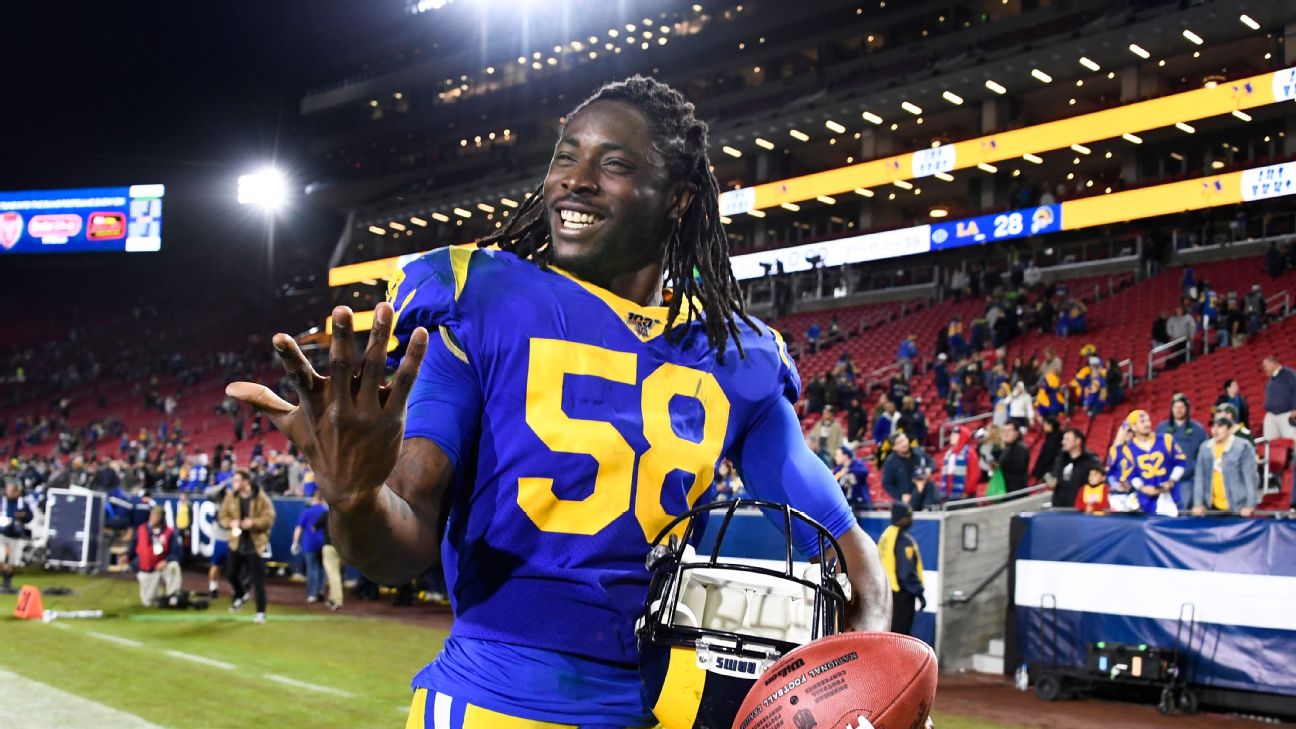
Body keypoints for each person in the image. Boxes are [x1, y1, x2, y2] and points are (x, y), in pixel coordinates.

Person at [228, 76, 888, 726]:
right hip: (494, 704)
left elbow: (851, 555)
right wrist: (354, 499)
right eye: (566, 157)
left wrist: (865, 683)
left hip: (653, 708)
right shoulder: (484, 301)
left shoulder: (732, 352)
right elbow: (399, 545)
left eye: (614, 164)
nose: (576, 179)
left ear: (678, 198)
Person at [218, 469, 275, 624]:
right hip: (236, 542)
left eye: (237, 480)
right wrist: (231, 523)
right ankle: (242, 594)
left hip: (255, 543)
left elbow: (269, 518)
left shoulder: (261, 497)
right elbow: (222, 517)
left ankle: (261, 612)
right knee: (231, 573)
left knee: (258, 580)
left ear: (246, 481)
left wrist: (253, 523)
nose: (234, 483)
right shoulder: (230, 496)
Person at [1111, 410, 1187, 515]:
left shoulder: (1166, 439)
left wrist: (1172, 481)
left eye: (1148, 420)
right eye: (1142, 421)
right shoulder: (1128, 449)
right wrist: (1142, 488)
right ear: (1133, 427)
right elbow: (1131, 474)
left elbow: (1180, 462)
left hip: (1169, 495)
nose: (1147, 424)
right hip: (1145, 500)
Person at [1191, 412, 1258, 516]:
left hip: (1238, 507)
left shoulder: (1243, 447)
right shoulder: (1205, 448)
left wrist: (1250, 505)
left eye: (1220, 426)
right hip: (1212, 507)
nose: (1215, 430)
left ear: (1230, 429)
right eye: (1213, 426)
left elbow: (1250, 477)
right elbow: (1200, 477)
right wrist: (1198, 503)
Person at [878, 502, 925, 637]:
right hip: (902, 594)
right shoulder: (904, 540)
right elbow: (906, 572)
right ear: (901, 518)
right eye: (908, 516)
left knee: (890, 633)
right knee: (901, 636)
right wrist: (919, 592)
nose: (911, 519)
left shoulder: (886, 536)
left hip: (888, 591)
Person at [129, 506, 183, 606]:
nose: (154, 518)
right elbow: (133, 546)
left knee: (173, 566)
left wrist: (166, 561)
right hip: (146, 568)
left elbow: (176, 552)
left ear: (162, 518)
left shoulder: (169, 532)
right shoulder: (141, 529)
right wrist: (127, 557)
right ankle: (160, 599)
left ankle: (173, 596)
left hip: (162, 566)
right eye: (152, 515)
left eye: (157, 516)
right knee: (148, 602)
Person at [1155, 394, 1207, 498]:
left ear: (1187, 408)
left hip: (1187, 480)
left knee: (1183, 505)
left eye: (1181, 407)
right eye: (1175, 407)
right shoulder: (1162, 428)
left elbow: (1204, 454)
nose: (1178, 410)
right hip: (1164, 479)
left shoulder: (1198, 429)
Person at [1045, 428, 1101, 509]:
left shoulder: (1090, 460)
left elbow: (1098, 483)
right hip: (1059, 507)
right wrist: (1051, 481)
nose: (1063, 442)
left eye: (1067, 439)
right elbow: (1054, 477)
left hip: (1080, 508)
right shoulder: (1060, 457)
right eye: (1063, 439)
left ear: (1078, 441)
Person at [292, 490, 330, 603]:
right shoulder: (326, 512)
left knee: (312, 568)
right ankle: (321, 590)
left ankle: (312, 594)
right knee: (322, 568)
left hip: (310, 544)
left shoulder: (307, 512)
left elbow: (298, 528)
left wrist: (295, 542)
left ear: (314, 498)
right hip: (324, 543)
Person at [882, 433, 936, 510]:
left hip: (924, 492)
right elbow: (886, 484)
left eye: (904, 440)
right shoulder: (890, 463)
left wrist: (929, 469)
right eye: (899, 443)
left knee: (931, 485)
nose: (904, 444)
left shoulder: (918, 452)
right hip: (908, 499)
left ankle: (929, 509)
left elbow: (930, 461)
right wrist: (900, 496)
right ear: (894, 447)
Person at [0, 480, 34, 594]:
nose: (12, 493)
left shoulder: (22, 503)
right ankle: (3, 579)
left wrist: (23, 516)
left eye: (14, 491)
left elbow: (30, 517)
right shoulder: (2, 501)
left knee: (13, 561)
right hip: (1, 533)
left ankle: (7, 582)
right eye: (10, 490)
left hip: (15, 535)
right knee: (0, 558)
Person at [939, 426, 981, 501]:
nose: (951, 437)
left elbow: (975, 474)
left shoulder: (969, 453)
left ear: (962, 436)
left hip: (965, 495)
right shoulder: (949, 453)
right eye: (952, 434)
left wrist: (967, 490)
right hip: (949, 494)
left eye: (955, 435)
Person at [1261, 356, 1296, 440]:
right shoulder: (1271, 379)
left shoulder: (1289, 374)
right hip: (1271, 415)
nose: (1264, 369)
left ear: (1273, 363)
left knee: (1292, 440)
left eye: (1266, 366)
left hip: (1286, 414)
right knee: (1268, 442)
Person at [996, 421, 1032, 493]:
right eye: (1004, 431)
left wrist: (998, 466)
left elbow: (1014, 469)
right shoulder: (1007, 448)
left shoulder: (1021, 448)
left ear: (1017, 433)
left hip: (1016, 492)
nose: (1006, 433)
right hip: (1007, 490)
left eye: (1009, 430)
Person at [1030, 417, 1062, 484]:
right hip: (1046, 471)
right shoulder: (1051, 437)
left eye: (1046, 424)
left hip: (1048, 472)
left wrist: (1041, 472)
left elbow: (1048, 457)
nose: (1044, 426)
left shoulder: (1054, 439)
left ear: (1051, 425)